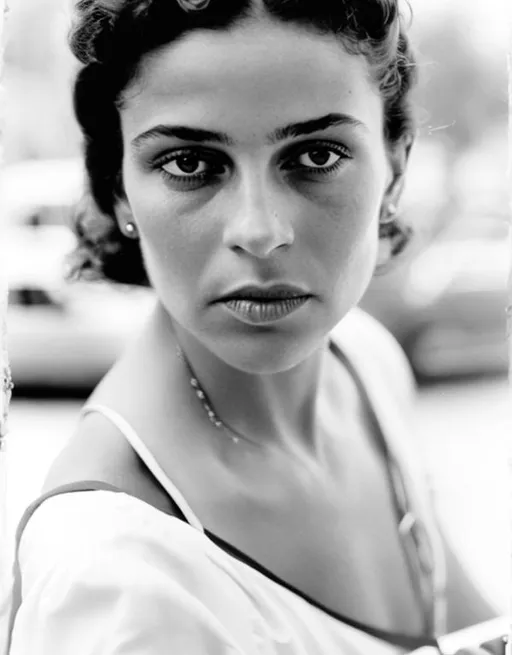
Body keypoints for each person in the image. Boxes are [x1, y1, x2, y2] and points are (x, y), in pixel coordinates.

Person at [5, 0, 501, 652]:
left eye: (316, 155)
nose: (261, 231)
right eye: (190, 163)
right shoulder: (113, 573)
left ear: (395, 169)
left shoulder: (365, 364)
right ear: (119, 190)